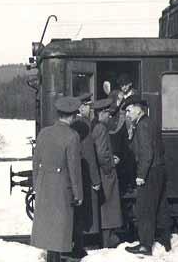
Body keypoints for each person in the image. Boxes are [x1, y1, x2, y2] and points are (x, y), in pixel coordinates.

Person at [31, 96, 83, 262]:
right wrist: (78, 194)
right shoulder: (72, 136)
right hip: (62, 188)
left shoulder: (44, 133)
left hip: (44, 185)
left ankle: (51, 258)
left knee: (48, 229)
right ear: (73, 115)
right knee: (60, 230)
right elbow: (74, 169)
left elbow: (35, 163)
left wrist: (36, 186)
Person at [122, 95, 171, 256]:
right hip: (159, 169)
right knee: (160, 206)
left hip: (149, 171)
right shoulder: (150, 122)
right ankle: (165, 241)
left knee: (144, 208)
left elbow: (146, 153)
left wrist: (141, 175)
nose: (127, 114)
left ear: (137, 108)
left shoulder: (142, 126)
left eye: (129, 110)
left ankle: (145, 245)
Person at [70, 93, 101, 258]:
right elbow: (89, 155)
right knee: (82, 213)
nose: (91, 108)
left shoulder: (73, 123)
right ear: (82, 107)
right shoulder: (84, 126)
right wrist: (96, 180)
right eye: (89, 105)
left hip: (73, 174)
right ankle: (79, 246)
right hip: (83, 175)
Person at [91, 98, 123, 248]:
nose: (110, 116)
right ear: (101, 113)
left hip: (101, 171)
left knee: (106, 209)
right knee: (109, 208)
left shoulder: (95, 126)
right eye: (107, 113)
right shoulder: (102, 128)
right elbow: (102, 153)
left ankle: (106, 241)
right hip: (106, 174)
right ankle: (107, 242)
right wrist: (111, 164)